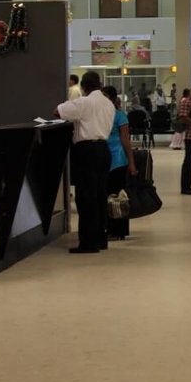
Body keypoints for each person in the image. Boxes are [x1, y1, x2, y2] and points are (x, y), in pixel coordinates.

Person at [57, 70, 116, 254]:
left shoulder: (84, 102)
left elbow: (58, 111)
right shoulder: (108, 103)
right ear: (100, 84)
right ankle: (101, 238)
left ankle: (89, 243)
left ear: (83, 86)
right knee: (100, 195)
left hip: (86, 151)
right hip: (103, 150)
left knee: (86, 197)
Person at [101, 86, 136, 241]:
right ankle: (108, 227)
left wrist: (131, 162)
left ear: (112, 98)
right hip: (103, 157)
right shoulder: (100, 114)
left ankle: (119, 230)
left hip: (118, 159)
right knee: (106, 195)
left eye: (105, 96)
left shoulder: (120, 115)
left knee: (118, 196)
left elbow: (125, 139)